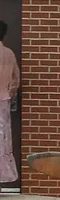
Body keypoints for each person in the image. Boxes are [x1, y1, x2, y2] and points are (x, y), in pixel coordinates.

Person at [0, 20, 17, 187]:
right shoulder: (9, 53)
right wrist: (9, 93)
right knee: (2, 141)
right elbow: (15, 81)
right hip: (3, 103)